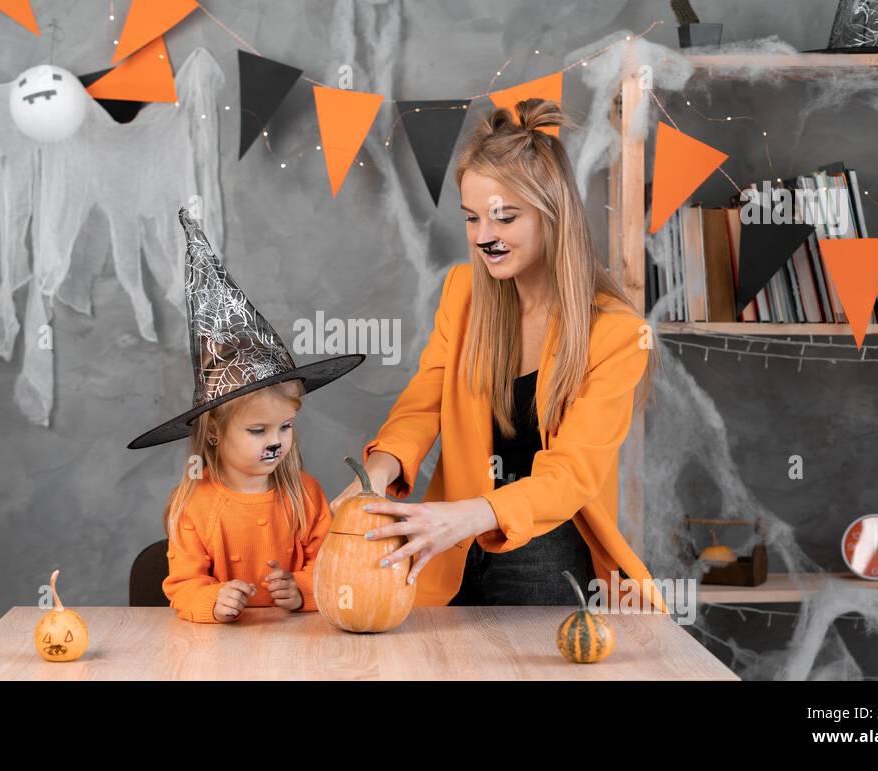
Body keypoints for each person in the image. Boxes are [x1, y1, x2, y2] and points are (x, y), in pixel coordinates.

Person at [329, 98, 666, 612]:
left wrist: (472, 514)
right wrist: (378, 469)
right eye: (471, 218)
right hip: (451, 538)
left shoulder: (618, 334)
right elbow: (423, 404)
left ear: (553, 215)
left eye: (504, 218)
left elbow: (571, 474)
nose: (484, 237)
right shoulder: (462, 293)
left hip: (544, 543)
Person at [127, 206, 364, 622]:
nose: (276, 441)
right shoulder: (194, 505)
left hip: (298, 645)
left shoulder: (305, 495)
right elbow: (184, 585)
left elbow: (332, 566)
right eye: (258, 430)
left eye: (285, 426)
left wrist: (302, 589)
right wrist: (212, 600)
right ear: (214, 433)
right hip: (220, 648)